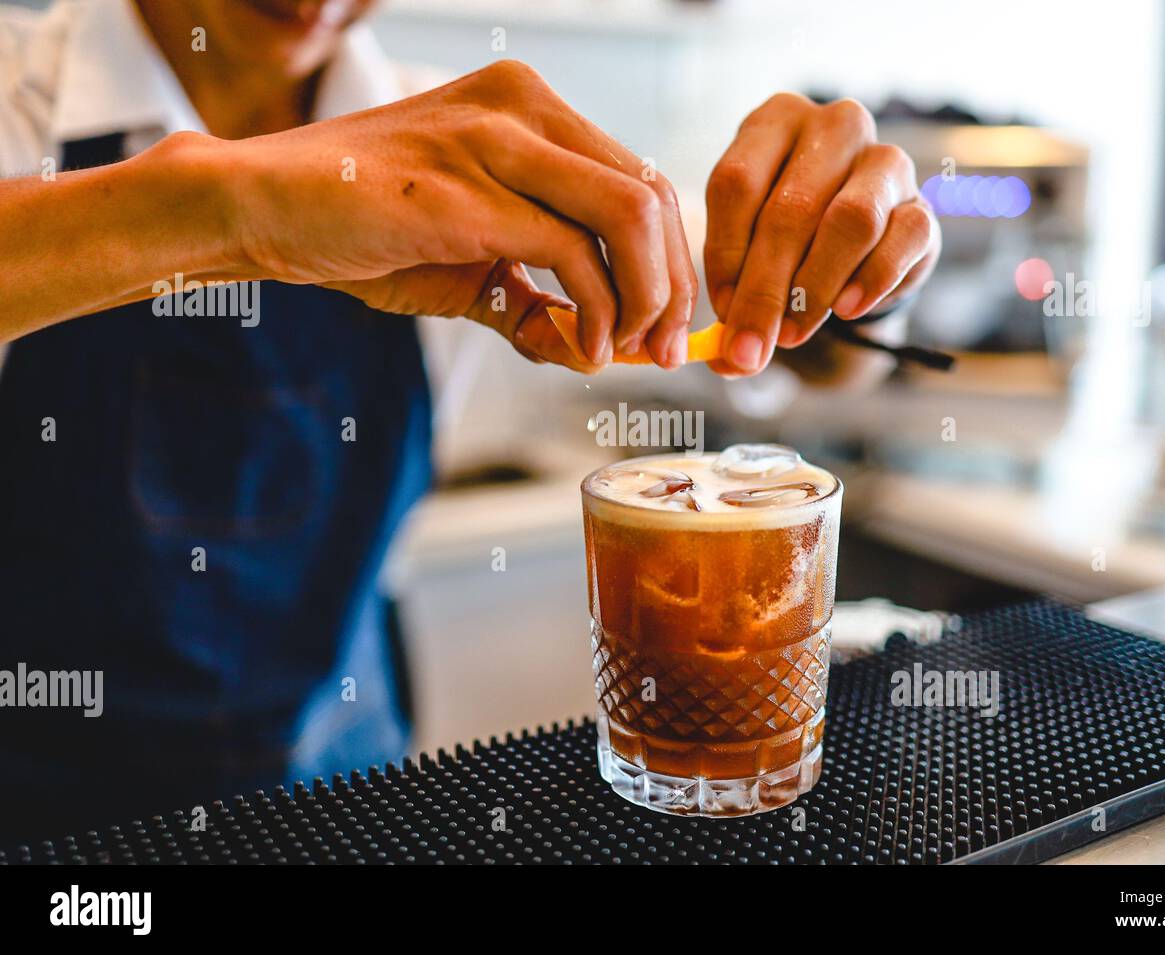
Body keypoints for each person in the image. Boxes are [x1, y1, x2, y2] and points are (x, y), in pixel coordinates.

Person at [0, 0, 939, 844]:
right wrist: (241, 204)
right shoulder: (19, 94)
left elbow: (805, 339)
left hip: (343, 806)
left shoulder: (457, 145)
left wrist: (841, 253)